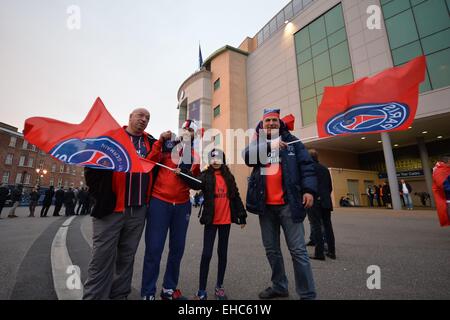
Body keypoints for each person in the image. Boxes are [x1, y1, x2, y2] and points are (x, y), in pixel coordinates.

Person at [83, 107, 163, 300]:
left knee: (126, 258)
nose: (144, 120)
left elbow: (156, 169)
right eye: (140, 116)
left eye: (148, 117)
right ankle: (94, 297)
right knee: (101, 258)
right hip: (111, 210)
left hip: (138, 210)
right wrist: (101, 196)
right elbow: (91, 171)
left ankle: (119, 296)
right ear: (130, 118)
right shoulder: (111, 139)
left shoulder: (150, 142)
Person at [242, 108, 317, 300]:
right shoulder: (257, 142)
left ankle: (307, 294)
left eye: (274, 121)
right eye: (268, 121)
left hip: (289, 205)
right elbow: (248, 157)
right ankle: (279, 286)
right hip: (265, 207)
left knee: (298, 251)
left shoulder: (293, 142)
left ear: (279, 123)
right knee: (272, 250)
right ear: (263, 124)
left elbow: (307, 166)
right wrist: (270, 145)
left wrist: (309, 190)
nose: (271, 124)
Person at [141, 119, 201, 301]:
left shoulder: (195, 155)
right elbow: (148, 163)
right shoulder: (166, 146)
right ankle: (148, 292)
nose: (187, 132)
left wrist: (189, 175)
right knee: (154, 248)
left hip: (182, 204)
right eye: (185, 129)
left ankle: (169, 288)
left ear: (195, 135)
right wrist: (159, 142)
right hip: (160, 201)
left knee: (177, 249)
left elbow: (196, 181)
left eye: (191, 130)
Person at [177, 149, 247, 300]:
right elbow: (195, 184)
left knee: (222, 254)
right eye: (213, 158)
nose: (216, 161)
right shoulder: (206, 175)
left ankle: (219, 287)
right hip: (211, 220)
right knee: (206, 254)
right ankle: (201, 290)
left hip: (226, 221)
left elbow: (235, 196)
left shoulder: (229, 177)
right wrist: (182, 172)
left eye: (219, 158)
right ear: (210, 161)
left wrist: (242, 215)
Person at [307, 149, 336, 261]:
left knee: (316, 226)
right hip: (326, 200)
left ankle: (319, 253)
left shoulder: (309, 168)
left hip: (314, 200)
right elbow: (329, 186)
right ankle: (331, 251)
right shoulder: (324, 169)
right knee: (328, 226)